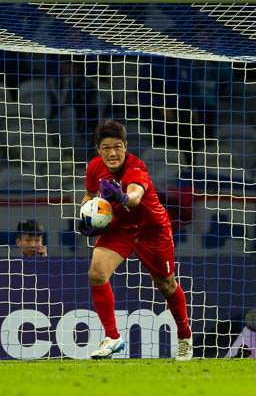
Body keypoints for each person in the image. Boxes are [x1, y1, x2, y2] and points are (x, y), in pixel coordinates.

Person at [79, 120, 193, 361]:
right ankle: (112, 338)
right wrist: (85, 216)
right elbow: (89, 193)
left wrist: (121, 196)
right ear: (99, 149)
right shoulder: (94, 167)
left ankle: (184, 337)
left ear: (125, 146)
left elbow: (135, 196)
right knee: (97, 273)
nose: (112, 153)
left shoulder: (136, 167)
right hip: (120, 227)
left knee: (167, 286)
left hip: (151, 230)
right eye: (106, 147)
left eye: (117, 147)